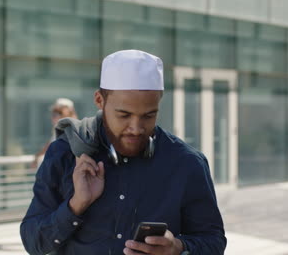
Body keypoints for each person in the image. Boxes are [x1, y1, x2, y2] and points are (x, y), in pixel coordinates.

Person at [21, 50, 226, 254]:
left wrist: (179, 248)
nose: (136, 128)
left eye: (148, 116)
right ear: (100, 100)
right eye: (124, 115)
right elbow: (33, 243)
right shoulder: (64, 153)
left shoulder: (187, 163)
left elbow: (213, 241)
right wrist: (76, 205)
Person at [30, 98, 78, 169]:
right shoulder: (58, 129)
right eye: (53, 114)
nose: (52, 117)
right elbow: (50, 145)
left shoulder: (72, 130)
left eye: (57, 113)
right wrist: (37, 156)